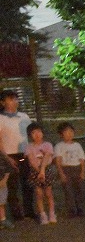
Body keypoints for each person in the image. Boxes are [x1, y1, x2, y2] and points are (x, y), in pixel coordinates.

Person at [0, 89, 34, 219]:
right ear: (2, 102)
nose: (14, 101)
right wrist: (6, 157)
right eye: (10, 99)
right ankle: (16, 213)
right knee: (12, 186)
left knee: (28, 183)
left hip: (25, 154)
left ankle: (29, 211)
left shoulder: (24, 117)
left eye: (15, 98)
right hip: (9, 155)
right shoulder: (1, 118)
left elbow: (31, 135)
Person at [24, 123, 57, 224]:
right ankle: (42, 214)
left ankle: (52, 213)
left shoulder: (47, 145)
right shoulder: (29, 147)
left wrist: (42, 171)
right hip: (35, 171)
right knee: (39, 194)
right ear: (30, 135)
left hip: (47, 170)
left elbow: (47, 157)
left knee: (48, 193)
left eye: (39, 131)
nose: (37, 134)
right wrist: (39, 171)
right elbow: (31, 160)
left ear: (43, 133)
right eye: (33, 133)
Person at [54, 122, 85, 217]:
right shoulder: (59, 146)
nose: (69, 134)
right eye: (66, 132)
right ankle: (71, 209)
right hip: (66, 168)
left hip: (77, 168)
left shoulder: (77, 145)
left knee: (78, 189)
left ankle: (79, 208)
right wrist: (61, 173)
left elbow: (82, 160)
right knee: (68, 190)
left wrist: (83, 171)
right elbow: (58, 161)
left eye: (71, 131)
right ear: (61, 134)